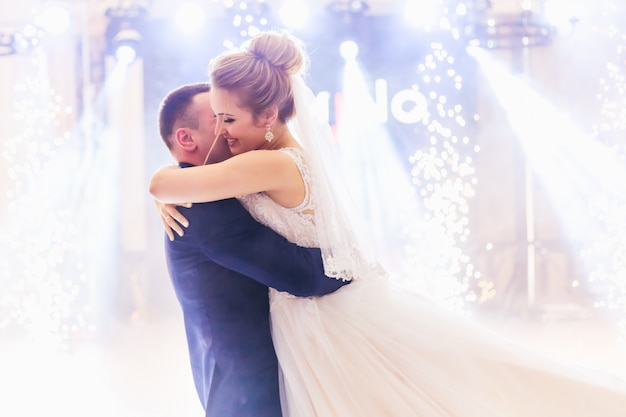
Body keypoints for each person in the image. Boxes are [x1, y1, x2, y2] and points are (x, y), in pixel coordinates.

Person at [150, 32, 626, 417]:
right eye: (216, 117)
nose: (224, 130)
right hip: (319, 312)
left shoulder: (269, 166)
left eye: (227, 117)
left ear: (269, 115)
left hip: (319, 317)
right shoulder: (281, 157)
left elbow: (164, 185)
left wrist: (165, 185)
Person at [155, 82, 347, 417]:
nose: (228, 129)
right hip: (248, 395)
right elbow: (302, 276)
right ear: (187, 138)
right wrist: (354, 262)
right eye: (218, 117)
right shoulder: (201, 207)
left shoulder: (202, 191)